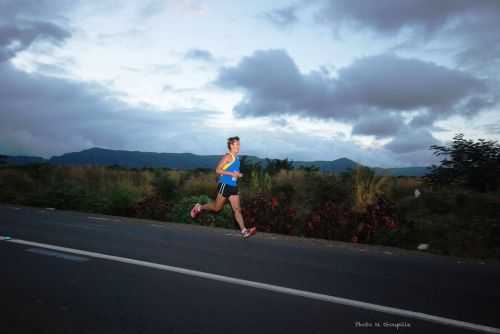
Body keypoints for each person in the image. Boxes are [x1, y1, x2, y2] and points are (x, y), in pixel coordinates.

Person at [190, 136, 257, 239]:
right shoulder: (228, 156)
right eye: (237, 144)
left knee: (237, 209)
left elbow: (232, 172)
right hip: (224, 185)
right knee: (217, 208)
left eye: (239, 144)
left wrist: (238, 174)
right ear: (231, 145)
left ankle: (244, 231)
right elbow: (218, 170)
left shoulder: (237, 158)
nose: (239, 146)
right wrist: (232, 174)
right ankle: (199, 207)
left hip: (233, 187)